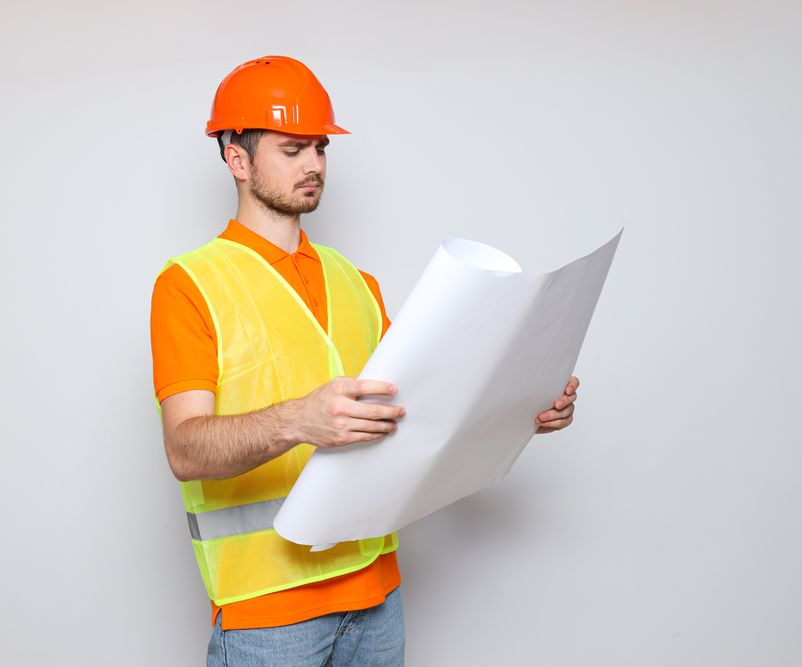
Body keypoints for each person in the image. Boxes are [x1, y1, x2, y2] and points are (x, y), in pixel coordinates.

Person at [149, 55, 580, 666]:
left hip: (378, 597)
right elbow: (185, 449)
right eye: (293, 148)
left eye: (321, 148)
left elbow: (426, 409)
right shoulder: (191, 284)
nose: (315, 165)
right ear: (236, 158)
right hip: (269, 616)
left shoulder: (357, 283)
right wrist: (299, 419)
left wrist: (524, 398)